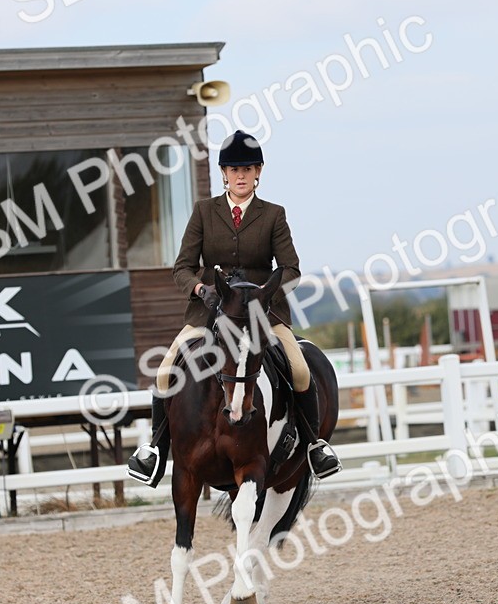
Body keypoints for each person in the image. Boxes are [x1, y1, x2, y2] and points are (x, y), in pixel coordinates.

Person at [127, 129, 341, 485]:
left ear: (258, 172)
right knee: (166, 370)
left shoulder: (273, 215)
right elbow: (182, 266)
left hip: (261, 314)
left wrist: (264, 294)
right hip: (210, 312)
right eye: (233, 169)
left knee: (301, 370)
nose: (240, 175)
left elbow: (291, 269)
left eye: (248, 168)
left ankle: (313, 446)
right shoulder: (204, 212)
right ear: (223, 173)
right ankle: (155, 450)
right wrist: (200, 288)